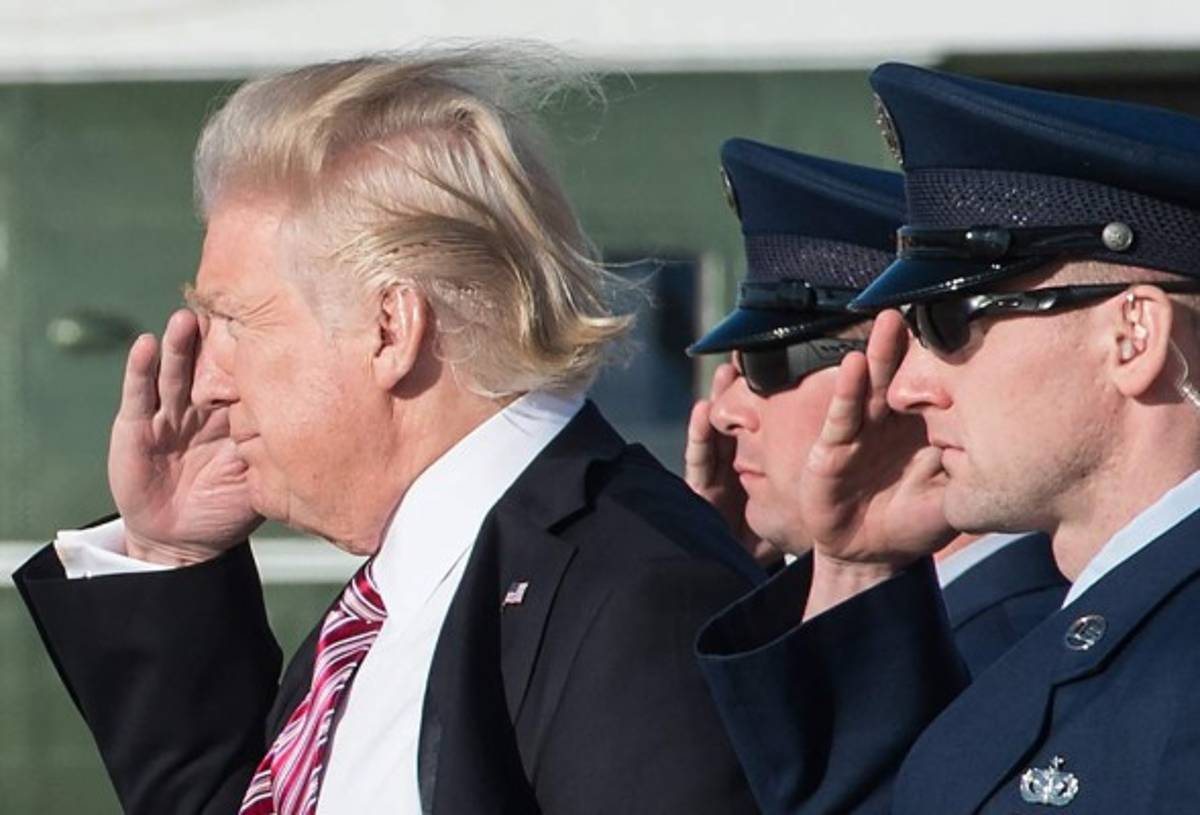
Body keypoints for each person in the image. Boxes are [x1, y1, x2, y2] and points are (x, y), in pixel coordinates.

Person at [12, 48, 761, 815]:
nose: (208, 381)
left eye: (235, 320)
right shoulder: (390, 603)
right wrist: (173, 555)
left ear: (390, 329)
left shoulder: (631, 596)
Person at [698, 61, 1200, 814]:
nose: (905, 388)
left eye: (950, 323)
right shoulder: (1099, 630)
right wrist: (858, 569)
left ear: (1134, 335)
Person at [685, 137, 1065, 678]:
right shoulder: (951, 629)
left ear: (901, 376)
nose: (723, 410)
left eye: (769, 365)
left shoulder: (1003, 652)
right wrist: (720, 578)